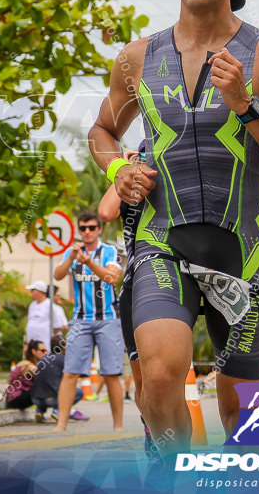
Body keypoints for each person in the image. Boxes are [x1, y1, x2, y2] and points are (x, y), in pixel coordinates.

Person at [88, 0, 259, 459]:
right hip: (160, 241)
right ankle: (170, 471)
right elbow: (102, 130)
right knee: (163, 378)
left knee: (248, 421)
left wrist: (247, 105)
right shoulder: (137, 58)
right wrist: (116, 169)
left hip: (241, 249)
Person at [98, 145, 155, 458]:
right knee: (141, 378)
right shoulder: (131, 187)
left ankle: (168, 437)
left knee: (161, 374)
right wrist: (123, 169)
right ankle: (153, 432)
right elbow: (106, 212)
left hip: (174, 282)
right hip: (136, 282)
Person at [53, 210, 124, 432]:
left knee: (111, 374)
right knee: (70, 372)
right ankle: (61, 424)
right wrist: (73, 259)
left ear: (99, 230)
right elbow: (57, 275)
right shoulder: (72, 252)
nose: (87, 232)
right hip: (80, 320)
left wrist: (89, 263)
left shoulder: (110, 251)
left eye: (92, 228)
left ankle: (118, 426)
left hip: (108, 319)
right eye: (83, 228)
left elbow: (112, 277)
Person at [32, 334, 87, 424]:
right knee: (79, 393)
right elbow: (80, 374)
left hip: (36, 399)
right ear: (64, 348)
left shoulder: (43, 359)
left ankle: (39, 411)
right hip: (52, 400)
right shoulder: (64, 360)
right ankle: (57, 410)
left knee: (46, 388)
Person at [4, 339, 46, 411]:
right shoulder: (27, 365)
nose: (45, 353)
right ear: (33, 351)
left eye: (46, 350)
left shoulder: (30, 363)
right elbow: (42, 376)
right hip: (15, 399)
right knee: (43, 389)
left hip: (17, 397)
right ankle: (45, 411)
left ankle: (41, 412)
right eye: (42, 351)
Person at [25, 281, 68, 349]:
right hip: (32, 343)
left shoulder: (50, 305)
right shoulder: (32, 305)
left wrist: (49, 337)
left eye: (33, 290)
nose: (31, 292)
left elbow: (58, 325)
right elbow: (29, 323)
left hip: (45, 344)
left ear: (39, 291)